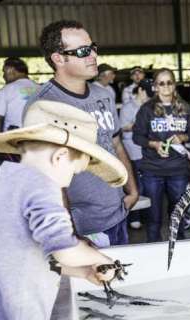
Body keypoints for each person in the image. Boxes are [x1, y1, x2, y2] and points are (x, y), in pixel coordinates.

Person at [0, 100, 128, 320]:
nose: (69, 182)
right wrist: (100, 259)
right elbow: (63, 250)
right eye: (74, 172)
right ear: (60, 157)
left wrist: (83, 272)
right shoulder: (42, 185)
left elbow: (32, 257)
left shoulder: (4, 179)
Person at [25, 20, 138, 245]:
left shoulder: (102, 95)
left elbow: (115, 145)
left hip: (118, 215)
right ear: (58, 58)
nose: (93, 55)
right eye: (83, 51)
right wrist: (69, 234)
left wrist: (132, 191)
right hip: (83, 229)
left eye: (93, 47)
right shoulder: (43, 106)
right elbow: (47, 179)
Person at [132, 68, 190, 242]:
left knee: (178, 216)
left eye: (169, 82)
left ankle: (179, 252)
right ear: (155, 87)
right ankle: (154, 253)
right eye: (161, 83)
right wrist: (154, 144)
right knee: (154, 219)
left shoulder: (184, 107)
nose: (166, 86)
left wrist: (183, 137)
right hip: (152, 171)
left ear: (174, 85)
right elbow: (137, 136)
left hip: (178, 170)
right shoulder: (147, 109)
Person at [120, 80, 153, 230]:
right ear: (140, 90)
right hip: (132, 150)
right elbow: (122, 129)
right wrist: (138, 124)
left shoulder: (150, 106)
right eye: (147, 93)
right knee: (136, 184)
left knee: (148, 184)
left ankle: (146, 215)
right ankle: (134, 216)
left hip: (147, 149)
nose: (149, 97)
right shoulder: (127, 108)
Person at [0, 57, 39, 132]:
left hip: (13, 138)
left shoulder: (6, 90)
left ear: (10, 69)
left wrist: (1, 137)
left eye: (4, 72)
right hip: (37, 136)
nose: (3, 76)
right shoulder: (41, 89)